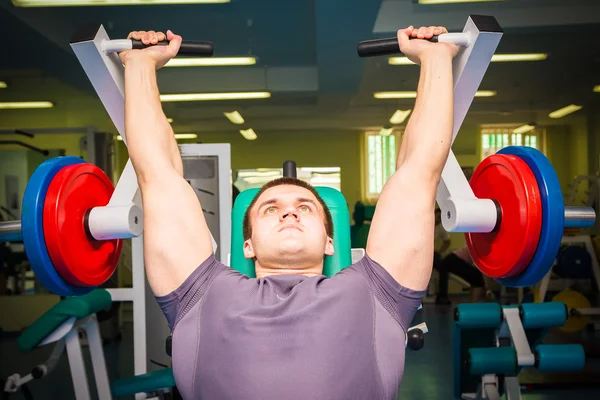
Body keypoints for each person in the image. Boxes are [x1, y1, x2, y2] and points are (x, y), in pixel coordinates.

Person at [119, 25, 458, 400]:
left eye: (305, 207)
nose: (289, 214)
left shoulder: (374, 293)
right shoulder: (202, 294)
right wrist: (139, 65)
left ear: (330, 241)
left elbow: (421, 170)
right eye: (270, 209)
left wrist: (435, 58)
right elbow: (157, 175)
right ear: (247, 245)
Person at [433, 209, 487, 304]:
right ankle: (473, 303)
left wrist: (439, 251)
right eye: (437, 217)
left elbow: (447, 242)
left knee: (476, 276)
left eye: (440, 218)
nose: (438, 220)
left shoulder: (440, 228)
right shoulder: (424, 224)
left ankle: (443, 297)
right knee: (477, 277)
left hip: (451, 258)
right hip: (452, 259)